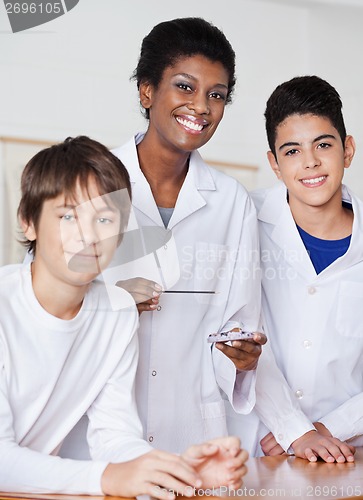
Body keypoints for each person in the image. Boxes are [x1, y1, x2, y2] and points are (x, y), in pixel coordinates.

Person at [0, 136, 249, 497]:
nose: (87, 236)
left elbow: (114, 435)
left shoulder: (116, 314)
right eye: (68, 215)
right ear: (29, 222)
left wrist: (178, 472)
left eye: (103, 218)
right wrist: (105, 479)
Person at [101, 16, 268, 454]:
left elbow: (240, 320)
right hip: (101, 432)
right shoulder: (90, 180)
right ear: (147, 90)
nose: (202, 107)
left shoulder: (232, 201)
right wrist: (110, 303)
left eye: (217, 95)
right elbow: (39, 304)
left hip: (194, 436)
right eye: (185, 86)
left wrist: (243, 357)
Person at [248, 75, 361, 462]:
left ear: (347, 150)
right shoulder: (243, 223)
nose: (310, 162)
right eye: (292, 151)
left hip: (346, 456)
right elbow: (238, 338)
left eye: (323, 145)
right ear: (274, 164)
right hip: (258, 452)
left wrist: (324, 430)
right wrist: (293, 429)